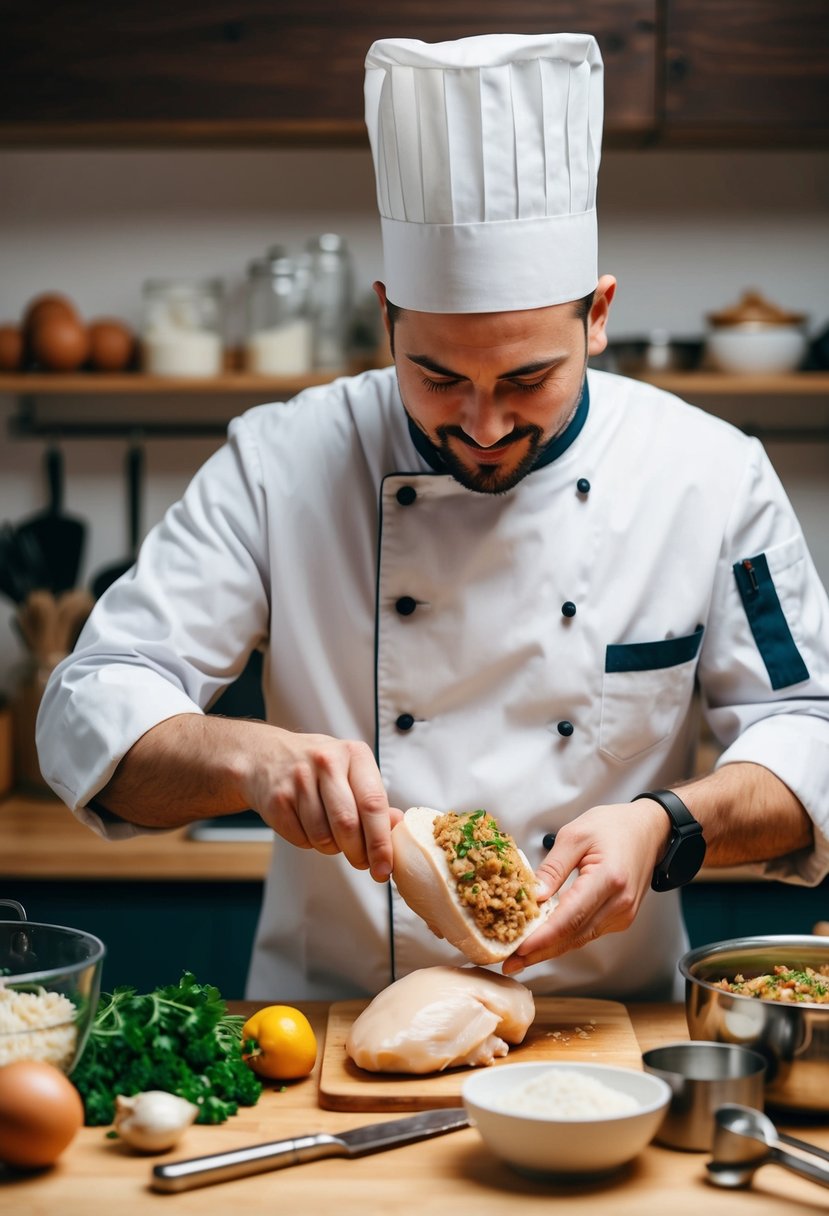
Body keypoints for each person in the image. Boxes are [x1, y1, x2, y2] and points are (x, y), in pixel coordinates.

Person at [37, 33, 829, 1001]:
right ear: (386, 319)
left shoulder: (708, 476)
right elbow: (88, 707)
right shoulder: (281, 464)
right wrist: (247, 758)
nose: (483, 426)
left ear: (598, 315)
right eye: (438, 376)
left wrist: (670, 824)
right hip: (328, 1026)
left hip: (613, 1033)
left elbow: (809, 733)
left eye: (527, 378)